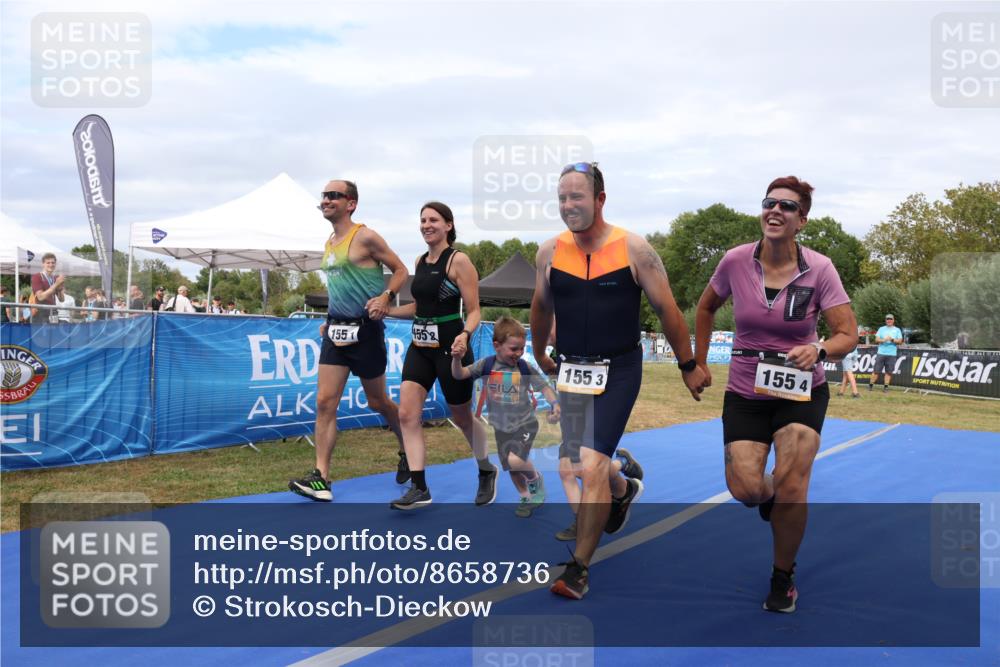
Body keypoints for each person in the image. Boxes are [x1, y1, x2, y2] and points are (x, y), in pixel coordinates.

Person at [531, 162, 705, 599]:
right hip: (572, 369)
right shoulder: (549, 252)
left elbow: (667, 309)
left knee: (588, 465)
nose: (568, 206)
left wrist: (688, 365)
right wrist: (537, 352)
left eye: (577, 197)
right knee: (583, 462)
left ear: (600, 200)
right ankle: (622, 488)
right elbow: (540, 306)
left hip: (619, 370)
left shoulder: (635, 249)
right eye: (562, 198)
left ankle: (580, 568)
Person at [694, 175, 857, 613]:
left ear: (802, 220)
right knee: (747, 489)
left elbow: (848, 334)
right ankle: (769, 498)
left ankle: (782, 577)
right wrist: (698, 362)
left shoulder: (820, 269)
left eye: (787, 206)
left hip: (801, 391)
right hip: (746, 389)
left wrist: (819, 348)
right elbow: (706, 307)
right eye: (770, 203)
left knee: (793, 480)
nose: (775, 211)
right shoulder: (733, 261)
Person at [288, 179, 410, 502]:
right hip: (336, 333)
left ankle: (408, 450)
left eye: (333, 196)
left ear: (351, 203)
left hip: (366, 331)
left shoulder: (365, 236)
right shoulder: (329, 241)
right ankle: (321, 479)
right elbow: (339, 288)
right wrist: (329, 321)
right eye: (324, 196)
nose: (325, 200)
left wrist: (386, 297)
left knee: (378, 402)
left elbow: (400, 270)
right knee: (325, 403)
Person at [388, 201, 495, 510]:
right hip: (420, 348)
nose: (426, 224)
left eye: (433, 219)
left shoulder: (458, 261)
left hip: (451, 346)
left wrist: (464, 335)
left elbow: (474, 311)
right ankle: (419, 488)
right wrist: (388, 311)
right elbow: (419, 308)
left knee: (461, 417)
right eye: (422, 220)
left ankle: (486, 469)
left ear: (448, 225)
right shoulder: (421, 261)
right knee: (407, 414)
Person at [451, 316, 560, 517]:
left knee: (516, 460)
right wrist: (456, 359)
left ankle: (535, 480)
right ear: (497, 346)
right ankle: (525, 496)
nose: (518, 353)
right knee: (511, 467)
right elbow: (459, 375)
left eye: (521, 348)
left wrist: (554, 403)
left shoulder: (525, 368)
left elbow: (543, 386)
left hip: (525, 424)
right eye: (513, 349)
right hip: (501, 428)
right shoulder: (486, 365)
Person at [870, 314, 902, 392]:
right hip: (881, 353)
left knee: (889, 372)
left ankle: (886, 387)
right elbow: (876, 340)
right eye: (887, 319)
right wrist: (884, 340)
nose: (889, 320)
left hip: (892, 354)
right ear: (885, 320)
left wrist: (892, 340)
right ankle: (870, 386)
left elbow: (900, 341)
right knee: (876, 371)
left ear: (893, 320)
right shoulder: (881, 329)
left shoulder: (897, 330)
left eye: (890, 319)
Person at [30, 252, 64, 324]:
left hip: (53, 312)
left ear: (55, 264)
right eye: (48, 263)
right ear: (43, 264)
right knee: (40, 335)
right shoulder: (37, 277)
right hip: (41, 314)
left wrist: (60, 288)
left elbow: (61, 299)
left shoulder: (55, 278)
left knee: (54, 335)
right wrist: (56, 284)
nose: (51, 265)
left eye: (53, 262)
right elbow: (41, 297)